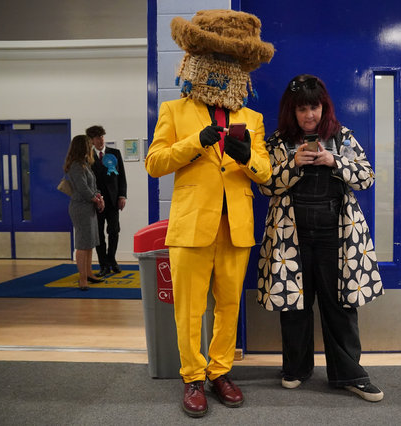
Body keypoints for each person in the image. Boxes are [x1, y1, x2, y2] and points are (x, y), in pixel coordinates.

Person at [145, 9, 274, 418]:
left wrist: (246, 157)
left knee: (229, 305)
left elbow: (266, 172)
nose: (223, 70)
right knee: (188, 307)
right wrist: (194, 144)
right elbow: (154, 163)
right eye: (217, 62)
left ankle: (220, 372)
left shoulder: (251, 118)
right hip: (191, 226)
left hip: (236, 227)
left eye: (230, 63)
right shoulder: (174, 111)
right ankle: (192, 378)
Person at [257, 75, 385, 402]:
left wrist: (334, 161)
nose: (309, 115)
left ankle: (349, 375)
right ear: (292, 110)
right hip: (291, 236)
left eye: (314, 107)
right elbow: (265, 185)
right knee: (295, 305)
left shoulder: (341, 138)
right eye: (302, 109)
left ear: (323, 106)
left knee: (340, 304)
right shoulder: (277, 142)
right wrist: (292, 164)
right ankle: (296, 369)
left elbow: (367, 178)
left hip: (336, 236)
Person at [63, 135, 105, 290]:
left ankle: (89, 273)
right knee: (82, 244)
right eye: (89, 144)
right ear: (82, 146)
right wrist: (96, 199)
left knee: (90, 243)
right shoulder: (75, 165)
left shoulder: (85, 164)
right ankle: (82, 279)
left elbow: (92, 186)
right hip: (81, 208)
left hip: (89, 207)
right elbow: (82, 187)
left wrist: (99, 196)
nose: (91, 147)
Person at [86, 125, 127, 277]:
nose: (101, 140)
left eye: (102, 136)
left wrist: (122, 196)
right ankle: (103, 265)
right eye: (97, 138)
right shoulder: (87, 157)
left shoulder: (114, 153)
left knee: (114, 231)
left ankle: (112, 260)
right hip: (96, 202)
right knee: (99, 234)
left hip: (113, 200)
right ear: (91, 140)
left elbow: (121, 176)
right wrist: (94, 197)